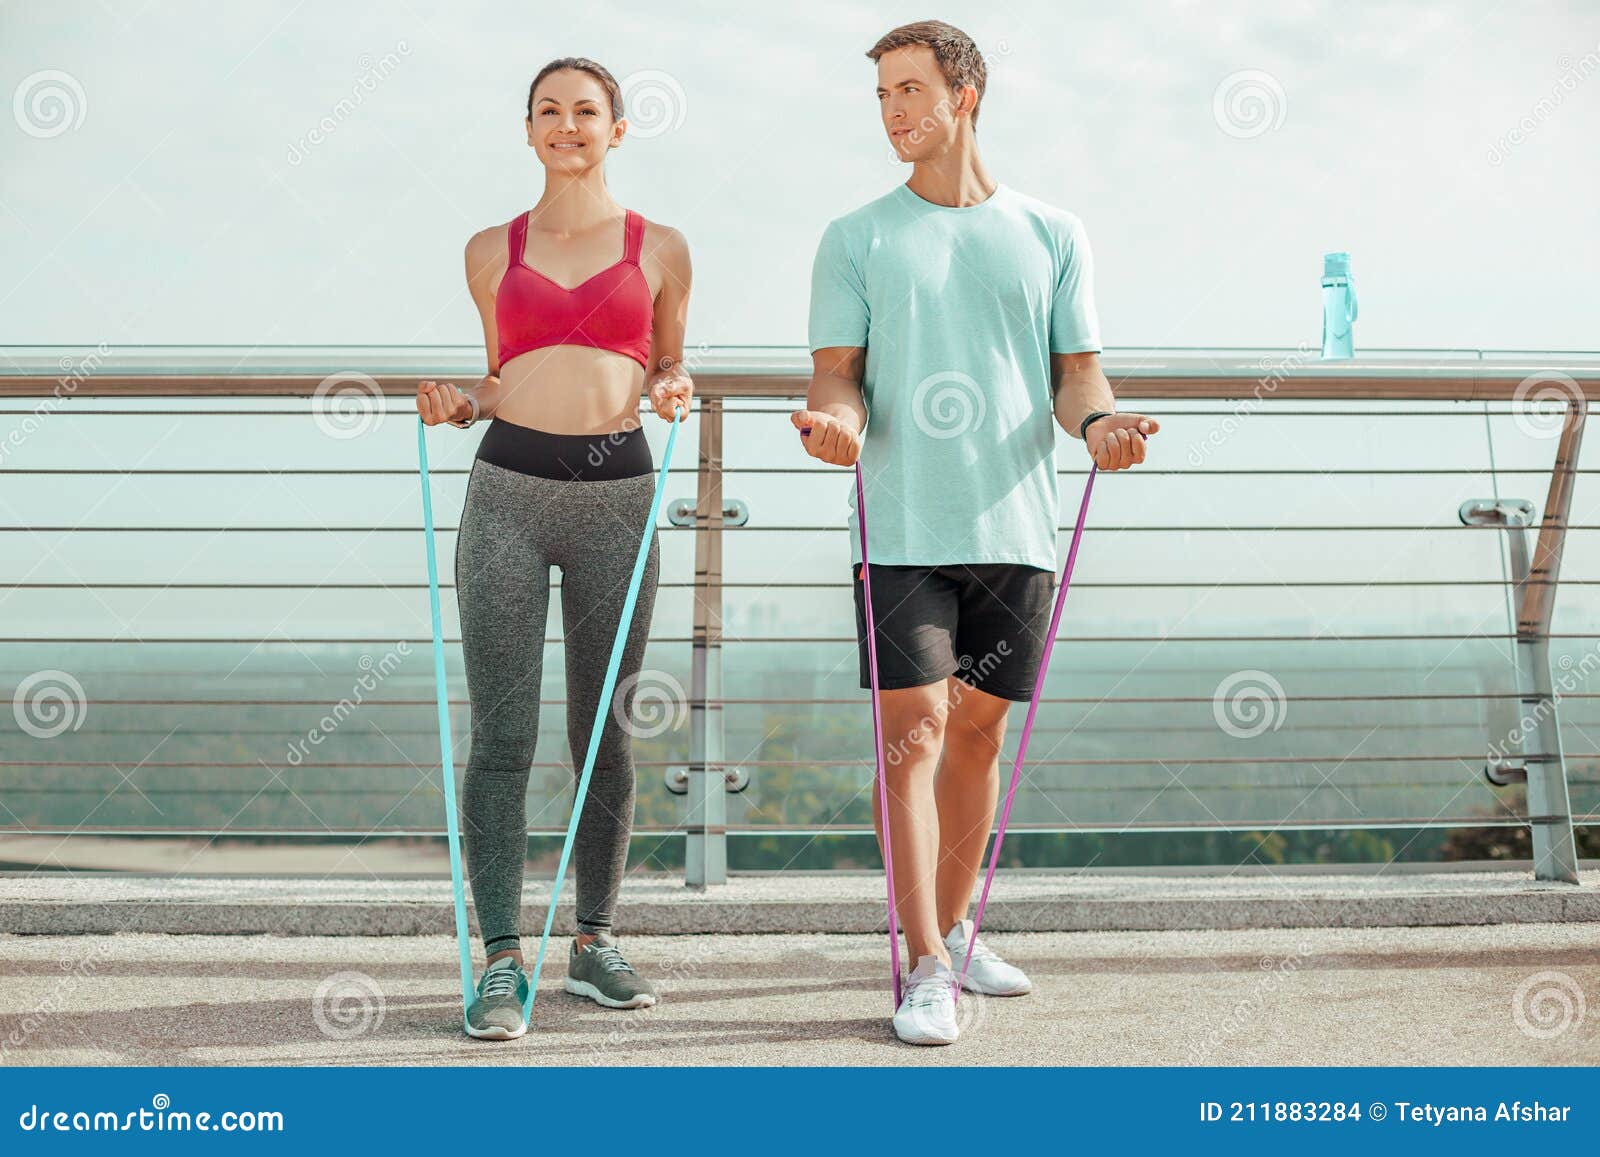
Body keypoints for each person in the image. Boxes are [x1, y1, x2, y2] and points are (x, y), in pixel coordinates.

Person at [794, 20, 1158, 1046]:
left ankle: (958, 925)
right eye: (882, 96)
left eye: (911, 89)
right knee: (914, 731)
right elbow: (838, 374)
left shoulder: (1052, 232)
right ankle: (921, 964)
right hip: (903, 523)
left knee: (980, 733)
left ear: (965, 95)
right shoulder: (855, 236)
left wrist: (1101, 426)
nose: (894, 111)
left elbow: (1074, 375)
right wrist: (837, 426)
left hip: (1015, 522)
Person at [416, 56, 693, 1041]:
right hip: (506, 494)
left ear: (618, 129)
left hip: (617, 495)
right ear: (528, 129)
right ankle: (498, 959)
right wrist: (459, 399)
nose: (567, 125)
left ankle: (595, 942)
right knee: (501, 736)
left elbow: (667, 360)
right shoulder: (490, 249)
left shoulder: (660, 247)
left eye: (586, 111)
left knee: (603, 730)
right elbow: (499, 377)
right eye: (549, 111)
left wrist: (671, 386)